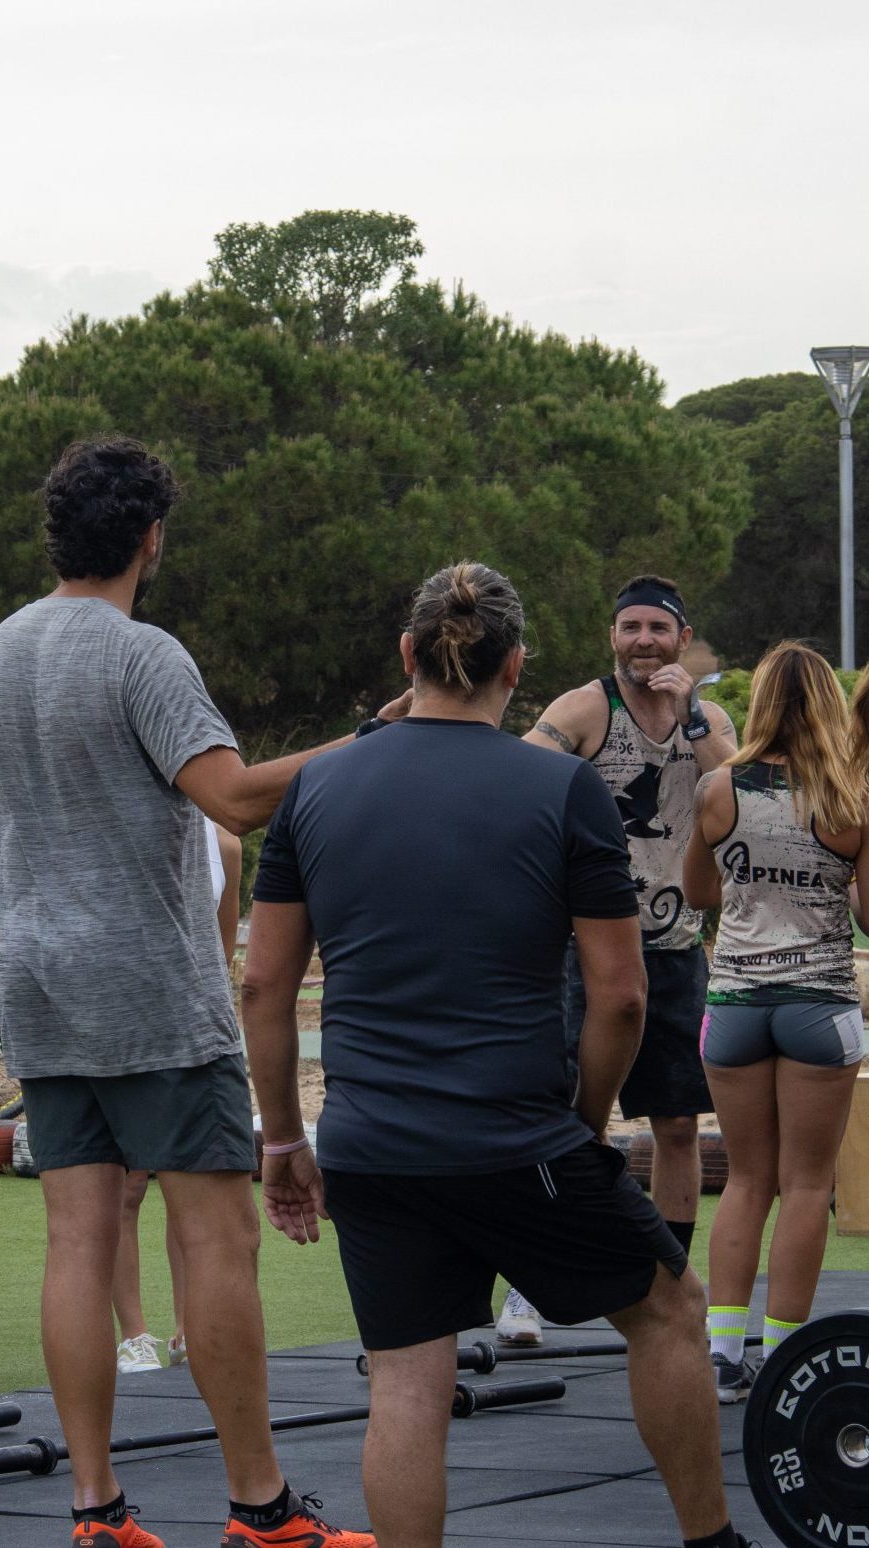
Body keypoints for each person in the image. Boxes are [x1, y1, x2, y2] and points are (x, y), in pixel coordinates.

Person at [243, 561, 752, 1548]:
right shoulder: (561, 788)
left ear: (408, 655)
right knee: (670, 1310)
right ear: (515, 667)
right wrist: (585, 1123)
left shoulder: (316, 786)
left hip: (372, 1147)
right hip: (518, 1138)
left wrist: (282, 1140)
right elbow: (622, 994)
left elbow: (263, 987)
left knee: (406, 1378)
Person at [0, 437, 375, 1548]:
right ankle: (261, 1509)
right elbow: (235, 801)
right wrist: (372, 741)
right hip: (150, 988)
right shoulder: (143, 653)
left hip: (38, 986)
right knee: (217, 1240)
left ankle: (95, 1511)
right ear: (151, 538)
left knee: (77, 1244)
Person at [500, 574, 738, 1345]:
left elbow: (745, 789)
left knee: (678, 1126)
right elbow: (515, 780)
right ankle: (532, 1288)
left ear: (682, 638)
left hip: (673, 948)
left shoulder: (707, 719)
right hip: (584, 948)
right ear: (612, 635)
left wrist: (693, 712)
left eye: (657, 629)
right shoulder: (585, 708)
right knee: (573, 1120)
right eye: (630, 627)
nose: (643, 641)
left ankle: (669, 1278)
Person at [682, 642, 867, 1404]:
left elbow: (700, 894)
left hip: (733, 1007)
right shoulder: (850, 796)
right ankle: (786, 1355)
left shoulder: (717, 786)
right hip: (819, 1006)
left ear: (759, 703)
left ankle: (724, 1357)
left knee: (747, 1180)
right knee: (807, 1184)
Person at [113, 820, 241, 1374]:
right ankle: (133, 1333)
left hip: (190, 1037)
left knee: (190, 1189)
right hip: (120, 1028)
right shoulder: (124, 825)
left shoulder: (226, 845)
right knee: (126, 1188)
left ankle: (191, 1328)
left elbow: (221, 952)